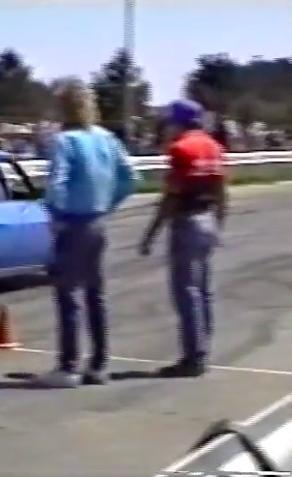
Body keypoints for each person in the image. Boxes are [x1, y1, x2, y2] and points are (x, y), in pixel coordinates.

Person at [33, 80, 137, 388]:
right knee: (96, 295)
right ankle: (99, 364)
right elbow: (130, 179)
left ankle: (69, 366)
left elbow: (57, 183)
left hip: (73, 222)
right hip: (98, 221)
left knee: (68, 294)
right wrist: (109, 203)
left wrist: (56, 214)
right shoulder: (107, 139)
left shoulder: (65, 141)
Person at [138, 99, 227, 377]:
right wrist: (219, 223)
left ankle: (193, 357)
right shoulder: (214, 146)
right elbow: (222, 190)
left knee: (186, 292)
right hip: (208, 217)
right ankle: (203, 350)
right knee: (204, 290)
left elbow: (171, 196)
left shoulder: (180, 149)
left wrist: (152, 232)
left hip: (187, 221)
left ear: (178, 121)